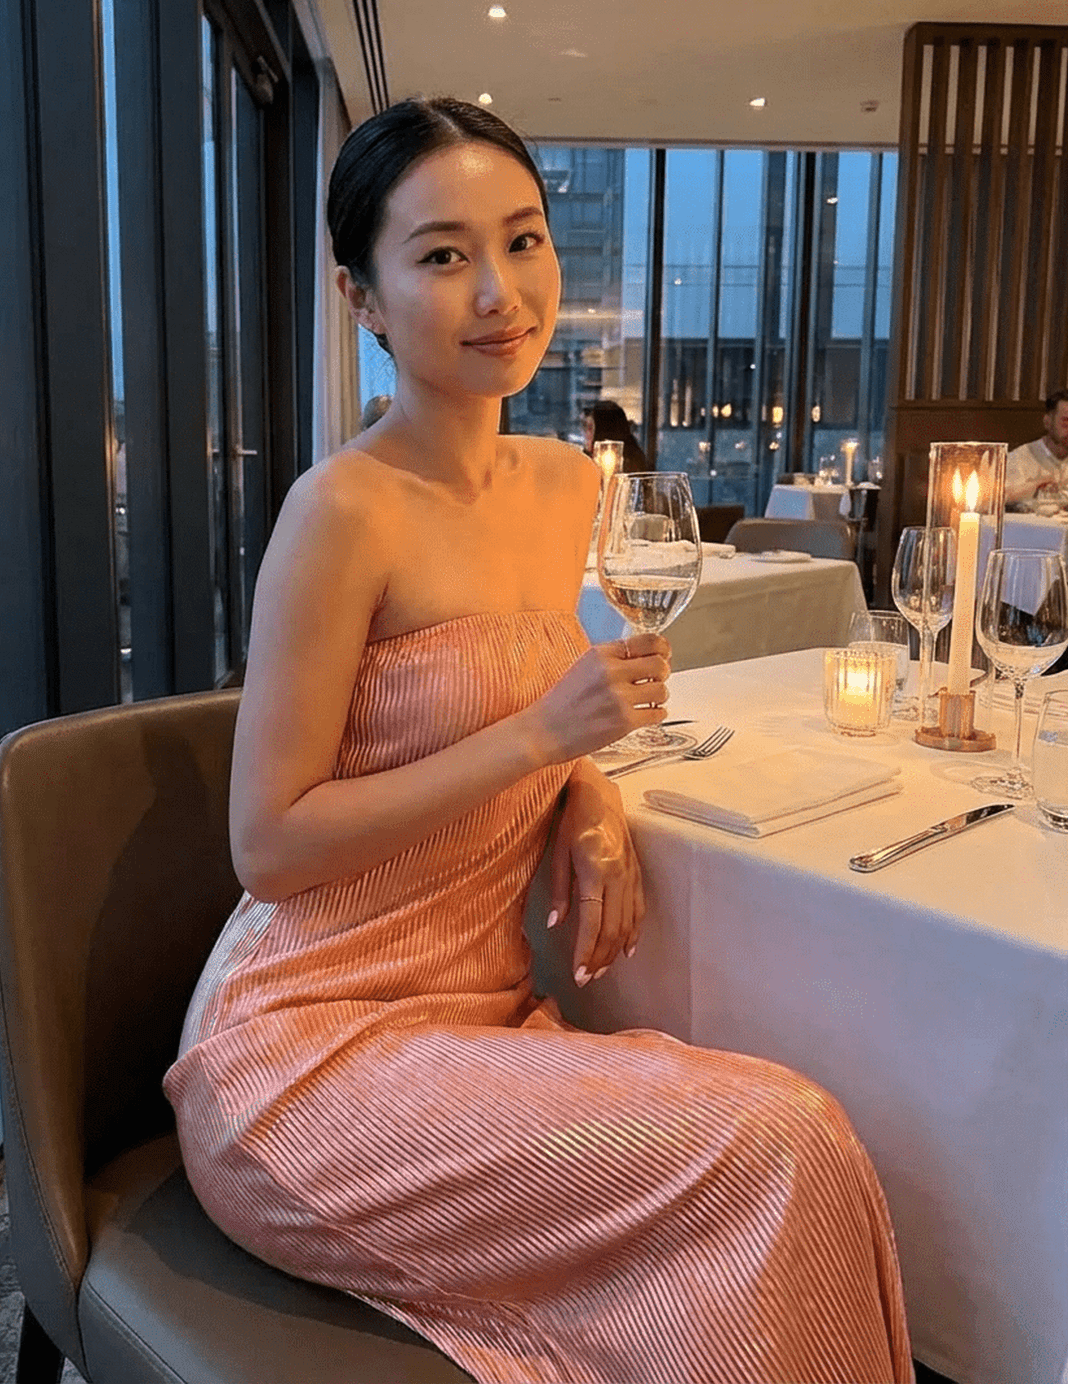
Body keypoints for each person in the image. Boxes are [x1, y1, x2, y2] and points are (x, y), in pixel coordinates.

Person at [164, 96, 913, 1384]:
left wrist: (590, 801)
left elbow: (525, 719)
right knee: (779, 1137)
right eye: (444, 254)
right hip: (305, 1058)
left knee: (791, 1148)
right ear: (365, 296)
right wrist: (540, 741)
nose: (500, 291)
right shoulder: (341, 510)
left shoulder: (569, 485)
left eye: (522, 241)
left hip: (480, 1020)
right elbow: (270, 845)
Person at [1006, 389, 1068, 503]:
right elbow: (998, 500)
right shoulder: (1019, 459)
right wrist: (1032, 487)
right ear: (1047, 421)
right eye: (1066, 421)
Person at [581, 398, 650, 474]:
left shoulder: (626, 467)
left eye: (590, 428)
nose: (585, 434)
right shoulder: (582, 460)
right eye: (585, 427)